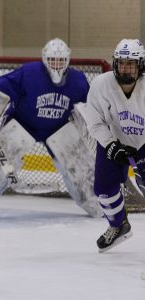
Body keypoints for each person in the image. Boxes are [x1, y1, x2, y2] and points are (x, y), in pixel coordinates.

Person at [0, 38, 102, 218]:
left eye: (61, 60)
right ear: (45, 59)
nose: (57, 65)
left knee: (79, 166)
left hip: (58, 128)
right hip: (23, 124)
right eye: (53, 60)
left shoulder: (78, 80)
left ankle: (96, 202)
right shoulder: (30, 72)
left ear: (68, 60)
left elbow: (89, 105)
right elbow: (0, 87)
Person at [85, 38, 145, 253]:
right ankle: (118, 225)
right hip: (113, 140)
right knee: (104, 190)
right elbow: (94, 121)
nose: (125, 68)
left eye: (131, 63)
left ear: (141, 65)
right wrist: (110, 145)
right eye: (121, 62)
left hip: (143, 142)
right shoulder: (101, 85)